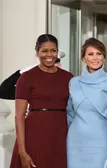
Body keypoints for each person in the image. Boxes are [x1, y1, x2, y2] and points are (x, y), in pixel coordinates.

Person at [9, 34, 73, 168]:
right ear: (37, 52)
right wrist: (22, 151)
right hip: (35, 134)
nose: (49, 54)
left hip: (61, 134)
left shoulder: (68, 77)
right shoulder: (27, 77)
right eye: (44, 50)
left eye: (53, 50)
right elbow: (19, 116)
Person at [66, 38, 107, 168]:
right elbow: (69, 115)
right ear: (83, 58)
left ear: (104, 57)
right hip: (74, 143)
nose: (95, 58)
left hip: (100, 142)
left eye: (99, 53)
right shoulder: (74, 82)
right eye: (90, 54)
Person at [0, 50, 66, 100]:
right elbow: (3, 92)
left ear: (59, 65)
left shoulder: (65, 83)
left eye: (54, 62)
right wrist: (21, 72)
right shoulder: (31, 88)